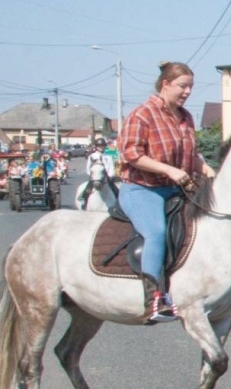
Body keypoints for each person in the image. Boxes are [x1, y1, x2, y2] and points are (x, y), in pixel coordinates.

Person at [118, 62, 215, 322]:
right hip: (142, 188)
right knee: (157, 233)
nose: (187, 92)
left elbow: (191, 155)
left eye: (191, 87)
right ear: (165, 84)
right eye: (183, 86)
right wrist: (169, 170)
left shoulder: (186, 117)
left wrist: (206, 169)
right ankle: (154, 298)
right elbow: (131, 154)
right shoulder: (142, 114)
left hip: (176, 188)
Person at [77, 135, 118, 211]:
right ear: (96, 147)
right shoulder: (92, 156)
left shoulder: (108, 157)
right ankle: (84, 201)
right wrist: (93, 176)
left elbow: (111, 167)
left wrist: (110, 175)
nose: (101, 148)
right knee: (87, 189)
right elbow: (88, 168)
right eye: (99, 146)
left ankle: (118, 205)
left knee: (115, 189)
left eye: (102, 146)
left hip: (106, 177)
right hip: (95, 177)